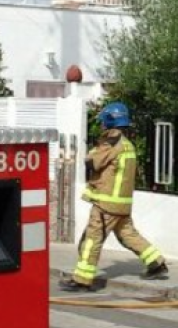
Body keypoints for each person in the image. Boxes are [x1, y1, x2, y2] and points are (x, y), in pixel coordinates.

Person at [60, 101, 168, 292]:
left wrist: (96, 147)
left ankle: (82, 280)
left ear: (110, 122)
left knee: (91, 240)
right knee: (128, 235)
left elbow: (91, 162)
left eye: (103, 121)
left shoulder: (111, 144)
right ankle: (156, 263)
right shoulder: (128, 145)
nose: (101, 125)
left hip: (106, 204)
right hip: (122, 205)